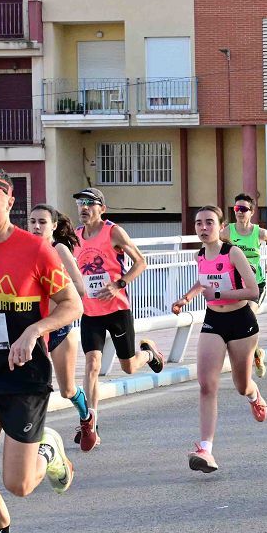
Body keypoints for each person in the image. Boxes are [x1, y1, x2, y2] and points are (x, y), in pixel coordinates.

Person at [0, 166, 81, 533]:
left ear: (9, 203)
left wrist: (34, 330)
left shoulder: (36, 250)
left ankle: (50, 449)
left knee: (18, 485)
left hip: (24, 375)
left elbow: (72, 305)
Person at [171, 206, 265, 473]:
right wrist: (186, 298)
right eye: (199, 223)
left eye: (209, 223)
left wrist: (222, 292)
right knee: (206, 384)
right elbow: (203, 283)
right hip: (214, 321)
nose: (203, 228)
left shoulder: (232, 252)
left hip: (242, 322)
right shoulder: (200, 255)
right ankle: (206, 449)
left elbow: (253, 291)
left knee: (241, 384)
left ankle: (253, 394)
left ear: (221, 227)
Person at [72, 187, 164, 452]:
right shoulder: (76, 237)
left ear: (102, 208)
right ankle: (91, 423)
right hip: (90, 312)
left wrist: (118, 284)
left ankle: (148, 353)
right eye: (80, 203)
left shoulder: (113, 232)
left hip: (117, 310)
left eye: (90, 203)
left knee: (128, 367)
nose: (84, 208)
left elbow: (141, 262)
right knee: (92, 365)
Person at [26, 205, 88, 419]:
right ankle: (36, 439)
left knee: (67, 390)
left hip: (58, 329)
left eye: (42, 222)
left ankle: (87, 418)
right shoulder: (24, 250)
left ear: (53, 225)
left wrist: (53, 288)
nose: (36, 226)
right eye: (32, 221)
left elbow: (80, 288)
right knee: (30, 389)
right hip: (32, 329)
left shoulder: (58, 249)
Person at [221, 193, 267, 378]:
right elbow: (215, 247)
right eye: (236, 208)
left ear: (251, 212)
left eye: (243, 209)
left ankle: (254, 352)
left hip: (256, 285)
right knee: (239, 320)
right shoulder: (227, 232)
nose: (239, 212)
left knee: (247, 315)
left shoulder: (259, 232)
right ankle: (257, 352)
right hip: (236, 285)